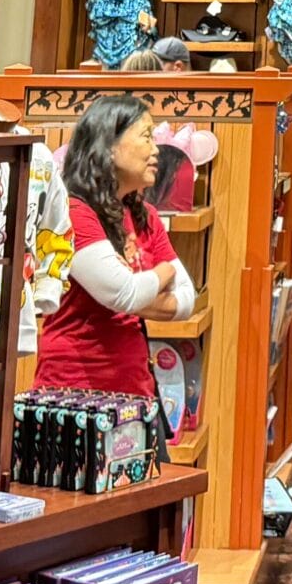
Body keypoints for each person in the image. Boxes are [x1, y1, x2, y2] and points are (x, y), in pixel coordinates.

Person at [31, 94, 196, 395]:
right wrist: (163, 274)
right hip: (74, 393)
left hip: (136, 387)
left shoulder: (146, 215)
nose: (156, 150)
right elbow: (124, 294)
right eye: (146, 136)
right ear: (108, 146)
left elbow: (186, 300)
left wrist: (135, 291)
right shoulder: (74, 214)